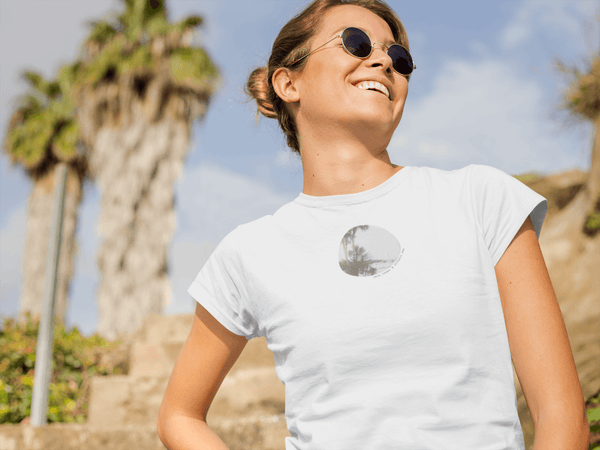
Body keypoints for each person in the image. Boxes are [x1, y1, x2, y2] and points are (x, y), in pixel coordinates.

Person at [156, 0, 590, 449]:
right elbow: (179, 415)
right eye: (356, 43)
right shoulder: (250, 251)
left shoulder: (481, 198)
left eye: (400, 59)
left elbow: (562, 419)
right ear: (288, 82)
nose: (384, 61)